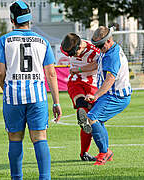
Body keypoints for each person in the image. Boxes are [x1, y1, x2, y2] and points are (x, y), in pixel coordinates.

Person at [0, 1, 62, 179]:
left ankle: (17, 178)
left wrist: (6, 88)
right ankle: (44, 178)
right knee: (40, 138)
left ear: (12, 19)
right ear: (30, 19)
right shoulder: (43, 41)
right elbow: (51, 74)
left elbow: (0, 72)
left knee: (15, 138)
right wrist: (56, 102)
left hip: (13, 97)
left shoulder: (4, 40)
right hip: (37, 97)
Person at [79, 26, 132, 165]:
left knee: (92, 118)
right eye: (96, 45)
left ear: (109, 40)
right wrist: (78, 69)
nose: (98, 48)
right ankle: (105, 151)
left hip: (116, 96)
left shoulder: (112, 56)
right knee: (97, 121)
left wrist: (95, 96)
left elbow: (110, 80)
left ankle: (104, 152)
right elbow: (96, 64)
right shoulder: (107, 50)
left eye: (100, 45)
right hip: (108, 94)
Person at [60, 33, 100, 161]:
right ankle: (82, 110)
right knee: (82, 105)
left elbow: (96, 65)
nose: (71, 56)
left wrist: (79, 70)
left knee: (89, 120)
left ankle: (84, 153)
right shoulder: (67, 47)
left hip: (91, 83)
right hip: (75, 81)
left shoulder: (93, 51)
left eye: (73, 53)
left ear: (79, 47)